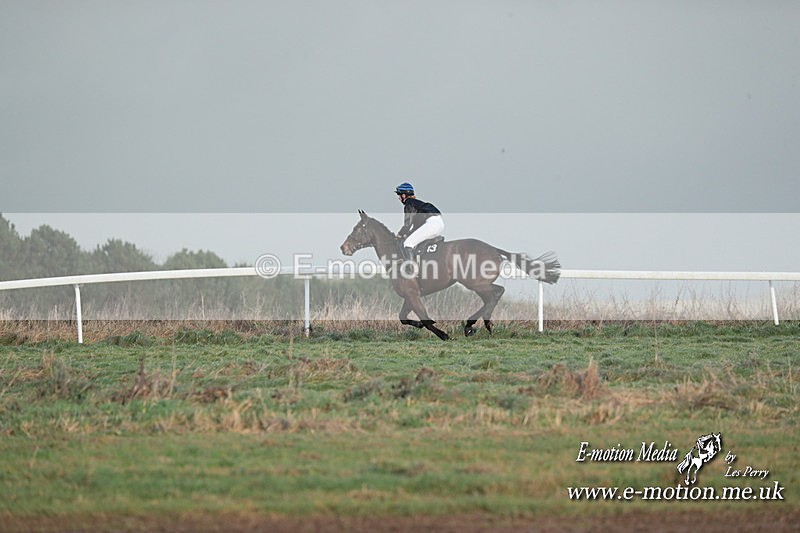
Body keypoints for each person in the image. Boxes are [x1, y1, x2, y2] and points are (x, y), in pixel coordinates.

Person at [394, 182, 444, 260]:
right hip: (439, 224)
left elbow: (407, 224)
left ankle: (411, 266)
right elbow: (417, 227)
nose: (399, 198)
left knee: (408, 243)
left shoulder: (409, 203)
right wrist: (407, 234)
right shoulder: (417, 204)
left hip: (431, 224)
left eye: (399, 196)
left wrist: (400, 234)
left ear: (403, 195)